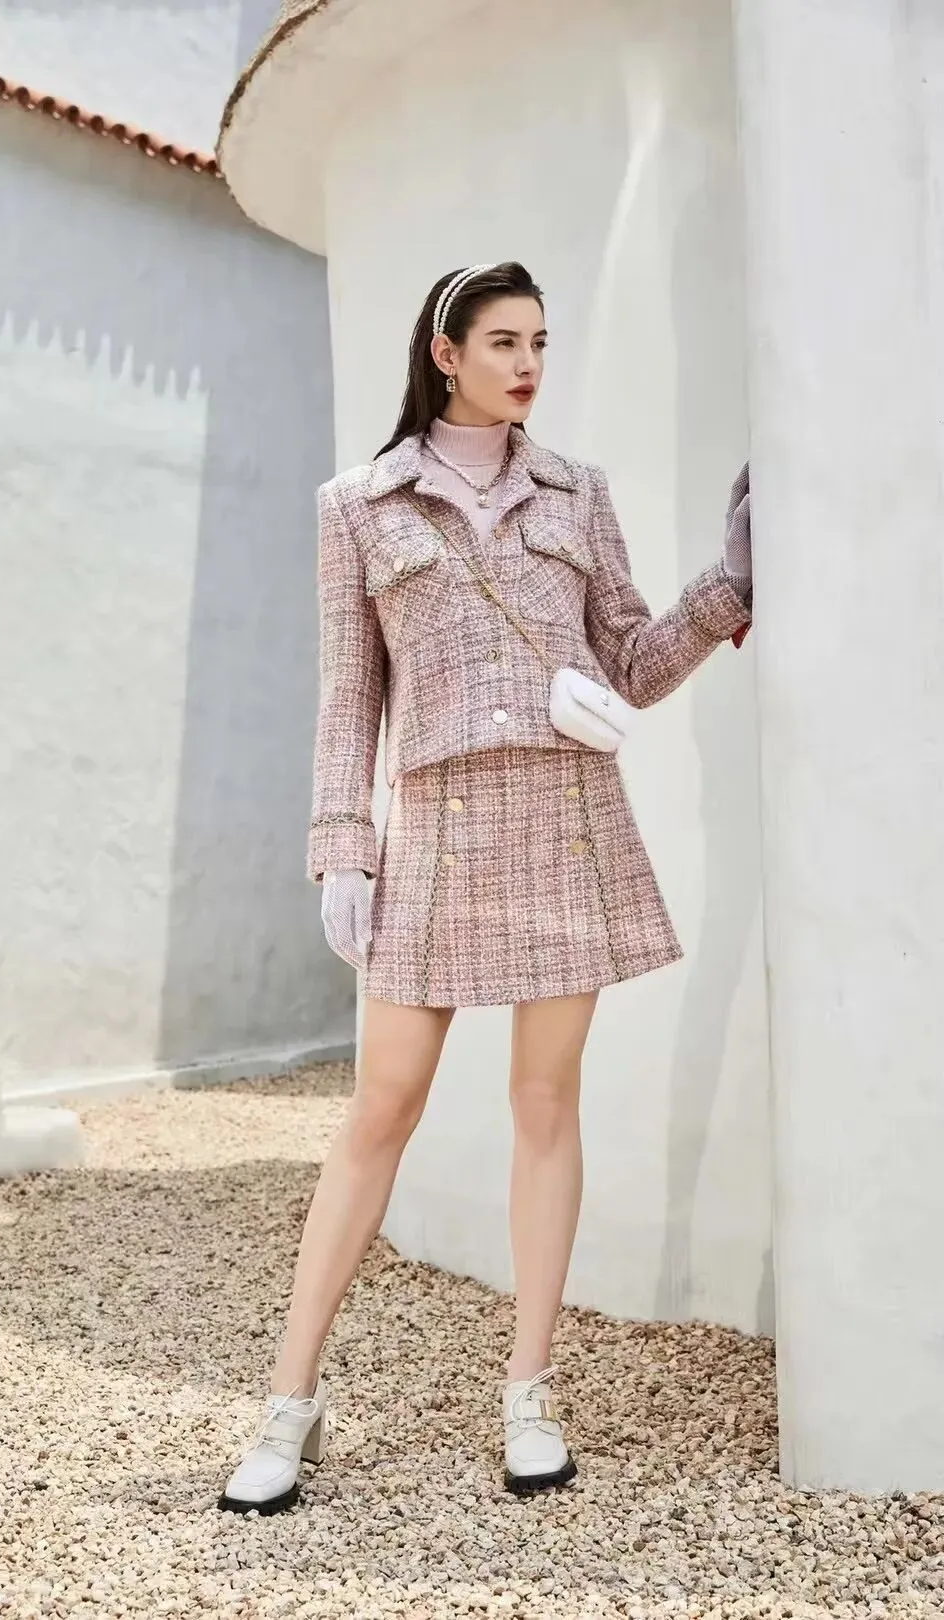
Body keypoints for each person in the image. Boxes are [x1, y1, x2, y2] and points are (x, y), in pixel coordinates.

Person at [218, 261, 752, 1515]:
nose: (528, 364)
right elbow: (350, 696)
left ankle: (529, 1392)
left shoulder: (578, 492)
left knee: (545, 1101)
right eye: (504, 341)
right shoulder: (358, 506)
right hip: (438, 836)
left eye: (541, 342)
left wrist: (730, 585)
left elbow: (631, 661)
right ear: (445, 352)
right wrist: (341, 847)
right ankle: (290, 1401)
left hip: (564, 820)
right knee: (381, 1108)